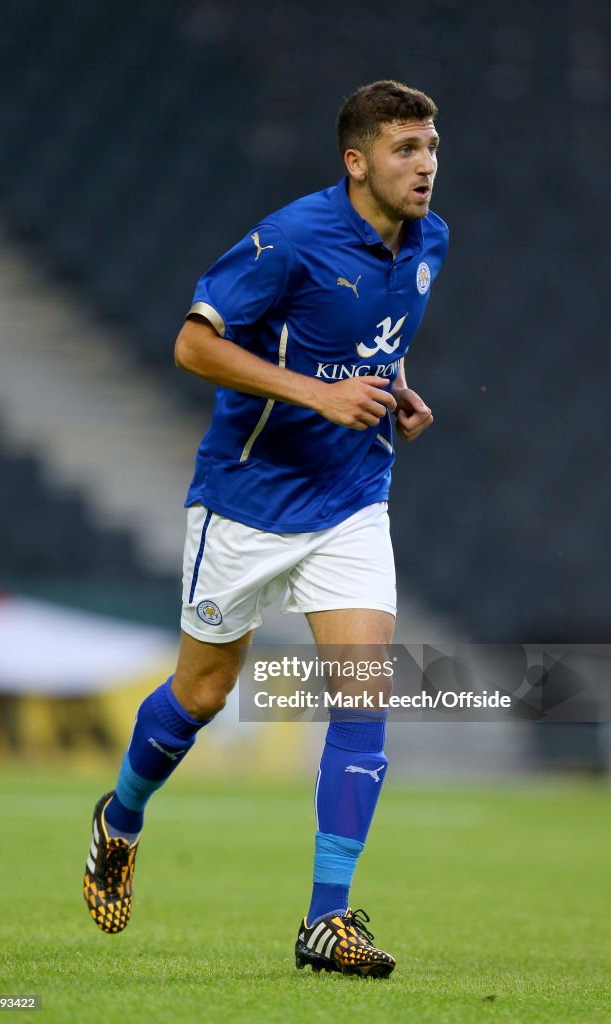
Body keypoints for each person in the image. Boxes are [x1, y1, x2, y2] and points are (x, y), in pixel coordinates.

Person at [83, 79, 448, 978]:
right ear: (356, 161)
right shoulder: (289, 238)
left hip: (354, 500)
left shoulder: (431, 241)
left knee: (363, 699)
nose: (427, 165)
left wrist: (393, 391)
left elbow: (372, 337)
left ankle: (327, 921)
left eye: (432, 146)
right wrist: (320, 395)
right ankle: (120, 817)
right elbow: (193, 344)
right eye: (406, 149)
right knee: (201, 696)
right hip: (248, 501)